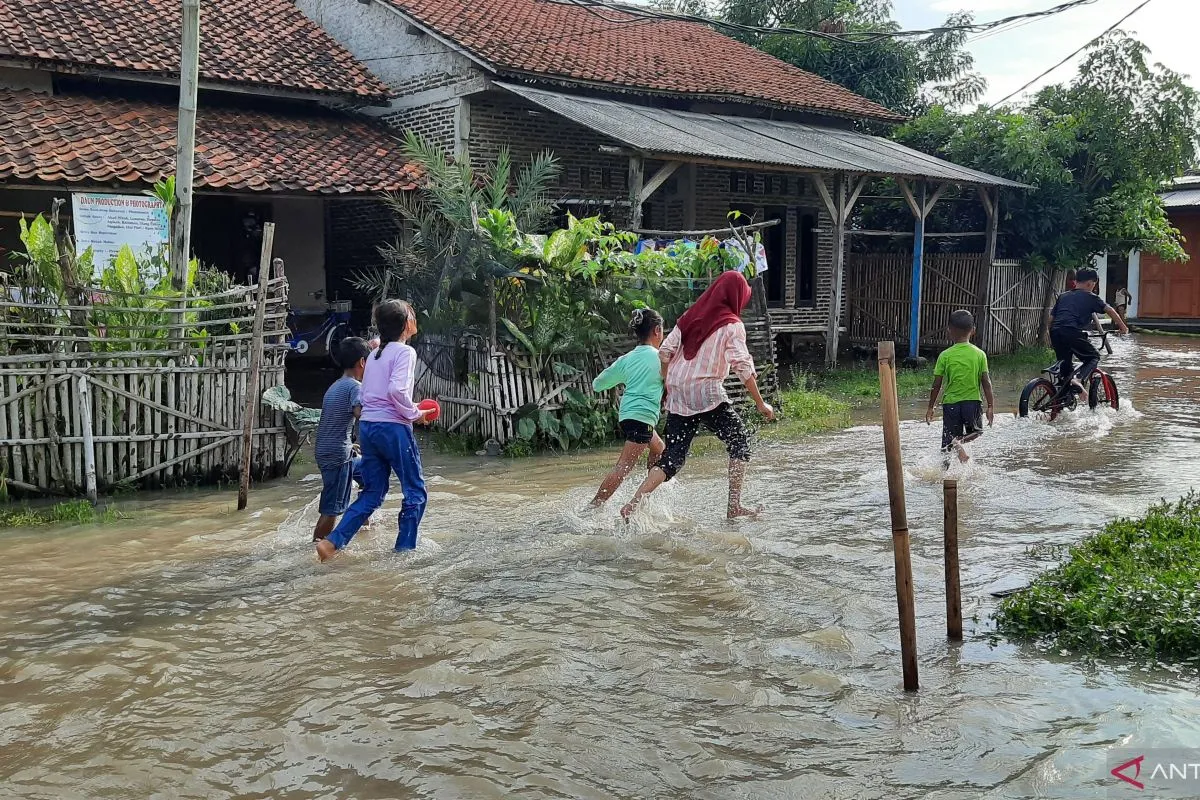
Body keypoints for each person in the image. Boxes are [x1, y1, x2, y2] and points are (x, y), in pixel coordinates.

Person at [620, 271, 776, 521]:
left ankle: (633, 503)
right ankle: (734, 507)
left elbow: (664, 353)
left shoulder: (688, 317)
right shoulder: (732, 325)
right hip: (707, 394)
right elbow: (742, 365)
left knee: (672, 457)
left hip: (679, 394)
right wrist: (761, 403)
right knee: (739, 443)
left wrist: (669, 385)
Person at [316, 300, 434, 561]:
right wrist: (415, 414)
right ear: (406, 324)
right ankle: (404, 552)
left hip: (369, 427)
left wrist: (413, 409)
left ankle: (332, 543)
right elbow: (396, 391)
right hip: (392, 428)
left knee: (373, 492)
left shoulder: (374, 354)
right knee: (415, 491)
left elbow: (377, 396)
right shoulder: (405, 352)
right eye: (412, 314)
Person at [588, 308, 667, 507]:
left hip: (627, 415)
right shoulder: (661, 358)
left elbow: (597, 384)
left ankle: (648, 493)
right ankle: (595, 506)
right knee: (623, 467)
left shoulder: (627, 359)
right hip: (643, 417)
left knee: (659, 448)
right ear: (657, 330)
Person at [312, 337, 371, 542]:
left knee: (371, 476)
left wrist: (351, 443)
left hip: (332, 450)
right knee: (332, 508)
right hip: (338, 455)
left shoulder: (335, 386)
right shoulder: (355, 387)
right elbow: (361, 414)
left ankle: (363, 524)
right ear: (362, 362)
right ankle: (317, 547)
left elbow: (334, 421)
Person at [925, 310, 995, 464]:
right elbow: (986, 382)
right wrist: (990, 406)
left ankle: (942, 473)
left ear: (949, 331)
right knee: (977, 432)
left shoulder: (945, 355)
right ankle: (958, 442)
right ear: (973, 331)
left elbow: (936, 384)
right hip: (972, 402)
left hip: (950, 404)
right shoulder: (979, 354)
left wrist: (931, 407)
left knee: (946, 443)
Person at [1049, 267, 1129, 395]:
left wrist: (1052, 334)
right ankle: (1078, 379)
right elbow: (1110, 310)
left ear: (1076, 281)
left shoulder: (1063, 296)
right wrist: (1123, 327)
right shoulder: (1091, 297)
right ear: (1090, 283)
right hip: (1072, 331)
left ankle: (1061, 398)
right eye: (1094, 285)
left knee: (1065, 366)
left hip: (1055, 332)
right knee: (1093, 357)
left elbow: (1051, 318)